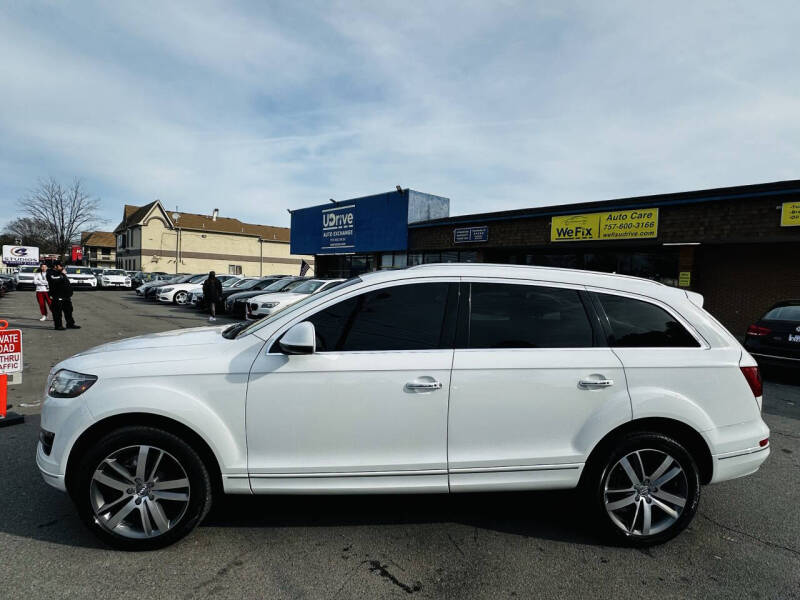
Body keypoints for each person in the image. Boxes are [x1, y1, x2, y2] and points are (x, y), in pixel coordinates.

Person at [46, 262, 81, 331]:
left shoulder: (60, 273)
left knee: (69, 311)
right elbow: (54, 280)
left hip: (66, 296)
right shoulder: (51, 273)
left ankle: (70, 324)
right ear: (55, 266)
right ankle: (58, 326)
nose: (62, 267)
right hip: (57, 296)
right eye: (60, 266)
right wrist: (62, 274)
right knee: (57, 312)